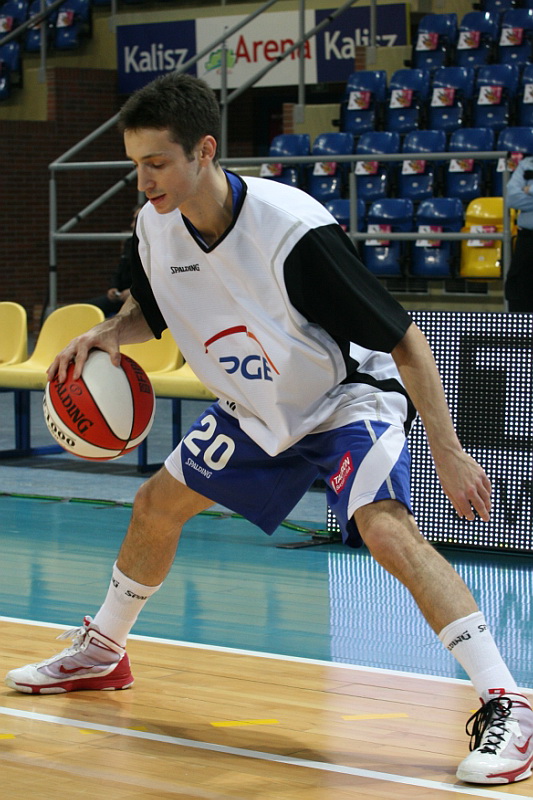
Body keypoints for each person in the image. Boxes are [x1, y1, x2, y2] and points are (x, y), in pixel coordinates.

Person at [5, 73, 533, 786]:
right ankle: (103, 652)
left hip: (344, 398)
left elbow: (406, 338)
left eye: (156, 163)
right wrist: (109, 332)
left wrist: (447, 448)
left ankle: (509, 704)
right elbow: (150, 311)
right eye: (135, 165)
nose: (144, 181)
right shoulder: (154, 224)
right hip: (255, 407)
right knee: (155, 506)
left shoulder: (292, 230)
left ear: (204, 151)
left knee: (384, 530)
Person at [85, 205, 142, 317]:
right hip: (120, 295)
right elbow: (119, 270)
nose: (132, 225)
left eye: (136, 220)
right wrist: (113, 287)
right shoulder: (130, 243)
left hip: (140, 297)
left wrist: (134, 291)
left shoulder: (156, 246)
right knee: (85, 309)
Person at [504, 154, 533, 312]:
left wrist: (530, 189)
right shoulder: (527, 164)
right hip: (528, 240)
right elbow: (512, 199)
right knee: (519, 292)